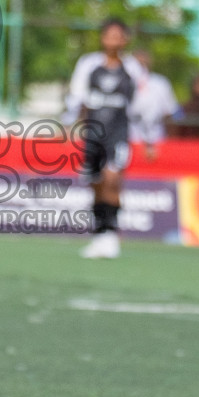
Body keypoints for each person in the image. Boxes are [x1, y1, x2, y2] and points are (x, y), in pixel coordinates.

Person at [68, 19, 149, 259]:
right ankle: (99, 233)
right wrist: (69, 124)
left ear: (125, 39)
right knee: (96, 184)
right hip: (93, 135)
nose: (113, 39)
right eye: (108, 34)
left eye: (118, 35)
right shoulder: (88, 64)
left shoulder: (133, 68)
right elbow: (76, 97)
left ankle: (112, 234)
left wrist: (149, 138)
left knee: (112, 180)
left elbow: (142, 106)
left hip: (118, 134)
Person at [128, 50, 178, 158]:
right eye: (137, 62)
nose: (141, 66)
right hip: (129, 134)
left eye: (144, 62)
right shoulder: (124, 81)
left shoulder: (161, 83)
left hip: (156, 136)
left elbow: (169, 111)